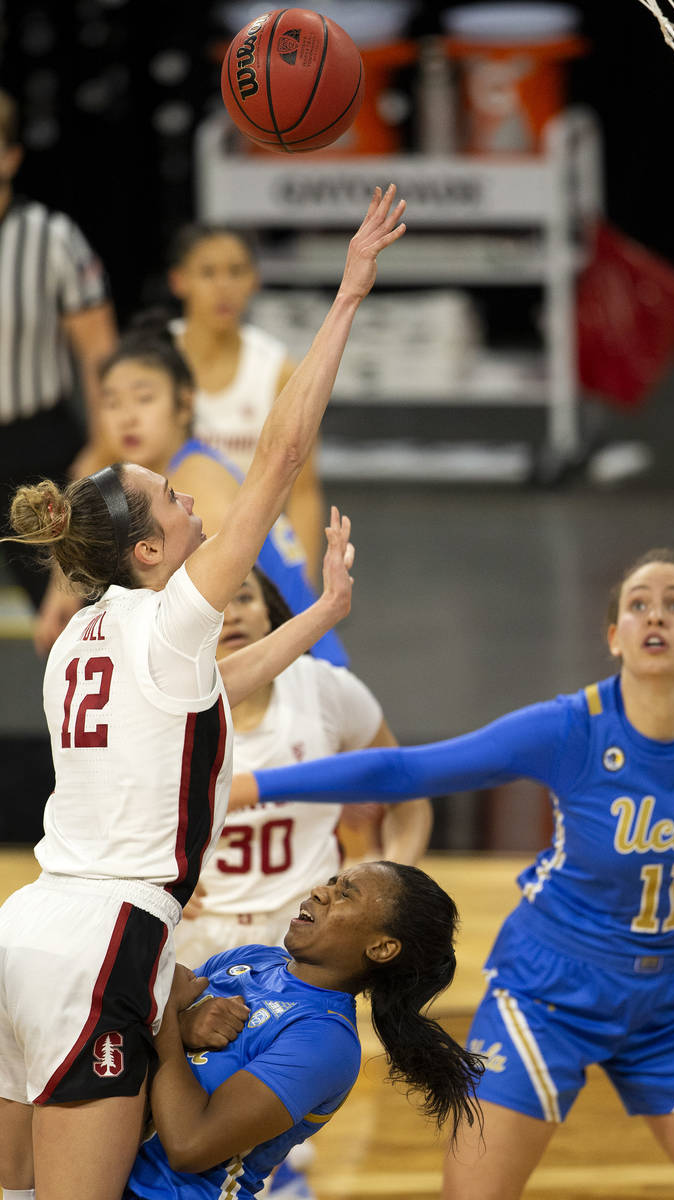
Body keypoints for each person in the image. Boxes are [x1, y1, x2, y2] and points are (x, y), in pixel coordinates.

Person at [0, 184, 406, 1200]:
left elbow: (212, 688)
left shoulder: (76, 640)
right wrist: (349, 292)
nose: (190, 499)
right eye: (173, 500)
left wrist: (315, 620)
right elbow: (279, 454)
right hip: (109, 940)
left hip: (26, 924)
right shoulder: (168, 614)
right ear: (148, 551)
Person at [236, 548, 674, 1200]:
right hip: (548, 995)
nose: (656, 616)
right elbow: (404, 772)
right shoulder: (571, 728)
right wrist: (249, 785)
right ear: (614, 638)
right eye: (638, 604)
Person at [123, 861, 483, 1200]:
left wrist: (166, 1014)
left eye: (345, 894)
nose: (320, 892)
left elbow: (190, 1145)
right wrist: (179, 1025)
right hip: (103, 1173)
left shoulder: (326, 1040)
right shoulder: (249, 959)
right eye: (330, 883)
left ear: (381, 948)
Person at [32, 320, 349, 667]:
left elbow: (233, 626)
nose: (127, 418)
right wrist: (60, 587)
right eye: (112, 403)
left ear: (184, 405)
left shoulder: (195, 492)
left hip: (295, 671)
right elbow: (90, 469)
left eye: (144, 399)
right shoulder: (160, 474)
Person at [175, 564, 433, 968]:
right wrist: (149, 877)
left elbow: (408, 797)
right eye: (217, 604)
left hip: (306, 927)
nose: (234, 614)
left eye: (244, 597)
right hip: (190, 928)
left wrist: (388, 885)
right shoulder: (160, 704)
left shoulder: (325, 687)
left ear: (269, 611)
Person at [0, 87, 117, 607]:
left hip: (35, 447)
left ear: (11, 156)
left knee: (73, 613)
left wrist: (100, 448)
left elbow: (100, 352)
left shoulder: (51, 237)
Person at [167, 223, 325, 576]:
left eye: (236, 272)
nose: (224, 287)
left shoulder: (278, 371)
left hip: (253, 561)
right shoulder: (152, 361)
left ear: (255, 280)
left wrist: (303, 586)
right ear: (179, 281)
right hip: (163, 556)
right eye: (208, 273)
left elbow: (303, 492)